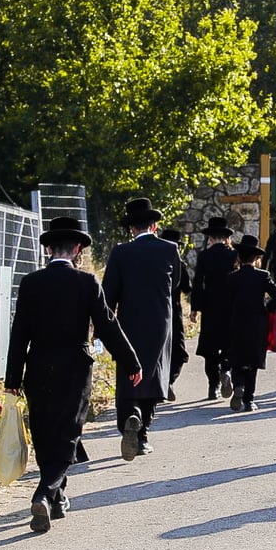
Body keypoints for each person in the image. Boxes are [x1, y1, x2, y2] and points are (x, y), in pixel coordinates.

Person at [5, 217, 142, 533]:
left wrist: (12, 380)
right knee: (68, 434)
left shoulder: (31, 283)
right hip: (75, 371)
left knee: (45, 432)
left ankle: (56, 498)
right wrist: (131, 362)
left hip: (37, 367)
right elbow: (108, 327)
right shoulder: (87, 283)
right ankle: (44, 492)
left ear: (49, 248)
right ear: (78, 249)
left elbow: (18, 334)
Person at [102, 197, 182, 460]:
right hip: (161, 323)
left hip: (128, 324)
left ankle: (130, 415)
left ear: (131, 229)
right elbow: (175, 285)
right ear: (155, 225)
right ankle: (143, 433)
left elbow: (108, 294)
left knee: (129, 373)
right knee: (154, 375)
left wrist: (102, 329)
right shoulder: (170, 249)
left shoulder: (120, 252)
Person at [225, 234, 276, 412]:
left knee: (237, 358)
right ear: (257, 258)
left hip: (236, 322)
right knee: (252, 361)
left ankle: (238, 386)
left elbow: (225, 302)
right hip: (258, 322)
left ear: (239, 257)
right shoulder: (263, 276)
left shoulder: (231, 277)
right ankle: (249, 400)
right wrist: (268, 308)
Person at [190, 217, 237, 402]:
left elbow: (198, 283)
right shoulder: (234, 255)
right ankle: (226, 370)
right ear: (226, 237)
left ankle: (213, 387)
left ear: (210, 237)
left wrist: (195, 308)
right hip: (230, 306)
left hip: (210, 307)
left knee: (210, 350)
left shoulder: (204, 256)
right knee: (228, 343)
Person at [158, 227, 193, 402]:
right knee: (179, 351)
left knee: (158, 348)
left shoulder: (154, 262)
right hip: (174, 311)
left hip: (155, 311)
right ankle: (169, 381)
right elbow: (187, 288)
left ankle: (162, 383)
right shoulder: (179, 263)